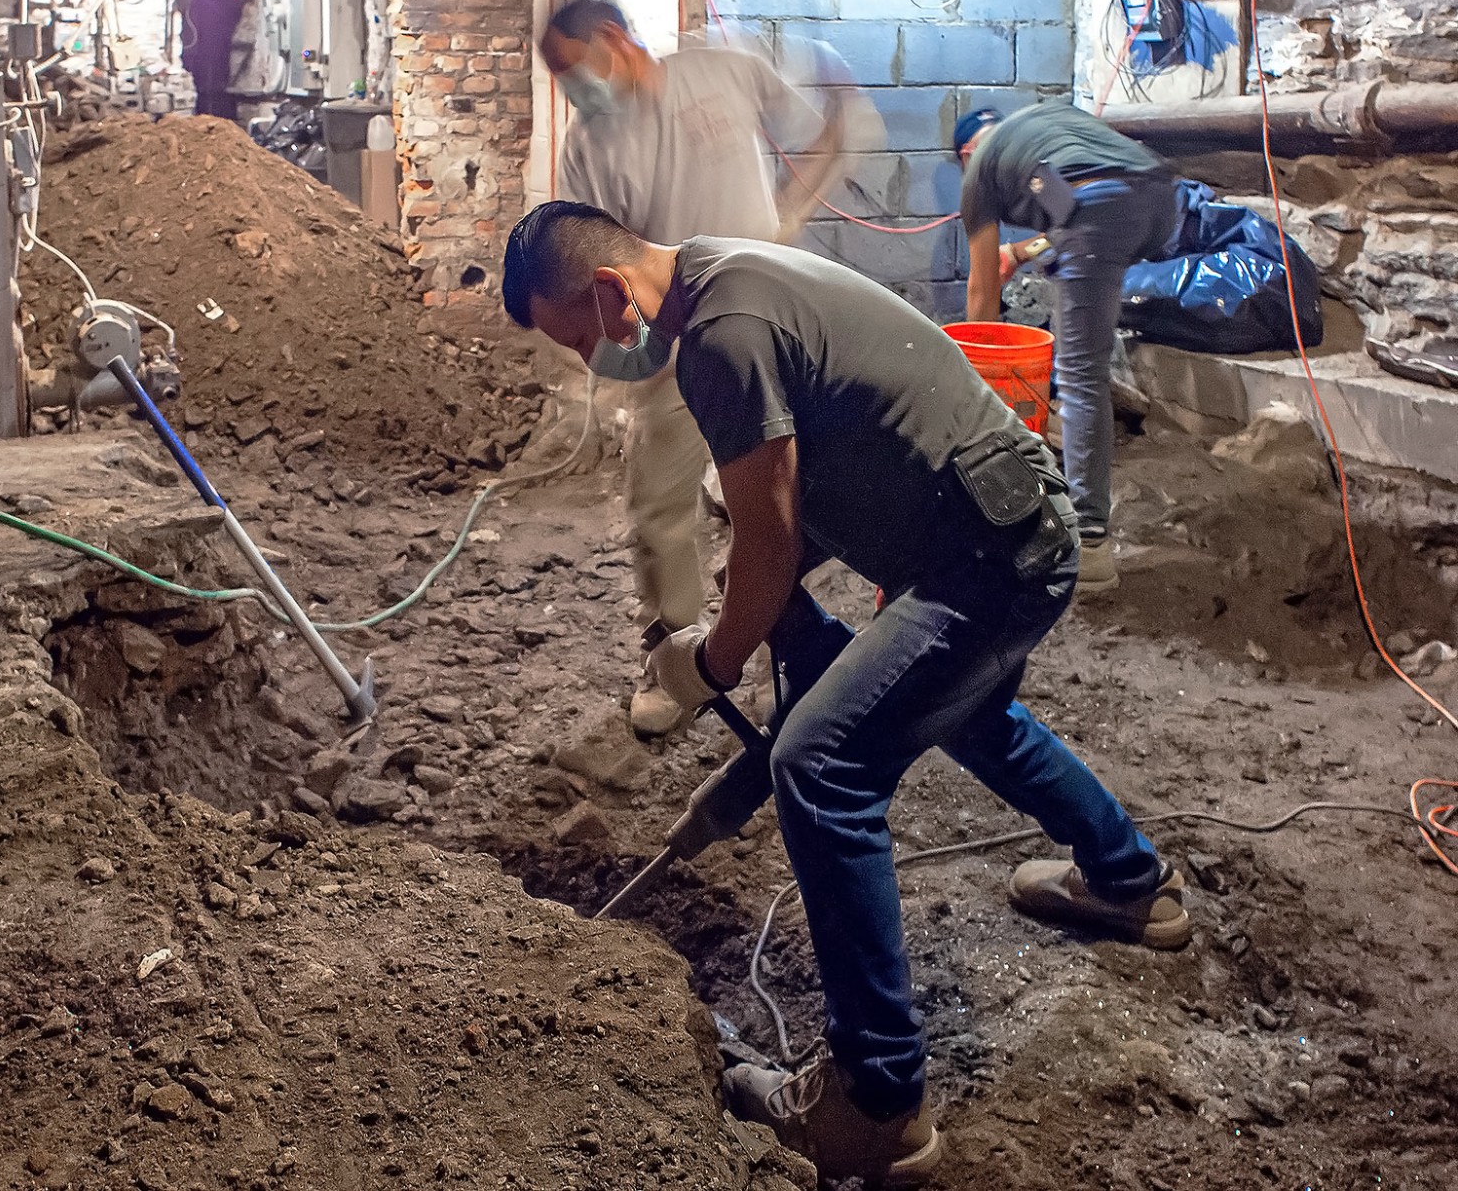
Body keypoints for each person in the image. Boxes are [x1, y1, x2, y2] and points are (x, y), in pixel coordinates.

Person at [501, 201, 1191, 1186]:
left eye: (583, 336)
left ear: (609, 291)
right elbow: (807, 505)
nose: (592, 359)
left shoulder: (720, 339)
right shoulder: (725, 271)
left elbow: (773, 542)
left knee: (820, 764)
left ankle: (877, 1102)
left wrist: (711, 661)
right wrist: (760, 623)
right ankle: (1129, 883)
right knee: (965, 712)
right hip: (1008, 530)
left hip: (987, 559)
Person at [540, 0, 847, 736]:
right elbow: (598, 263)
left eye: (572, 71)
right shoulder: (588, 146)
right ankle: (677, 664)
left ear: (613, 39)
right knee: (660, 508)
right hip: (673, 339)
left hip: (772, 319)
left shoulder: (719, 71)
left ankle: (792, 662)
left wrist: (787, 218)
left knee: (781, 502)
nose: (572, 92)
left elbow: (830, 127)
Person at [958, 102, 1179, 593]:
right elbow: (1070, 203)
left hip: (1100, 208)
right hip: (1162, 197)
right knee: (1077, 266)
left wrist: (980, 378)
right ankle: (1076, 471)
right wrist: (1023, 252)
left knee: (1080, 376)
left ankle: (1090, 545)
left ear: (968, 152)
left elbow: (981, 289)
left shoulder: (980, 171)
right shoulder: (1041, 124)